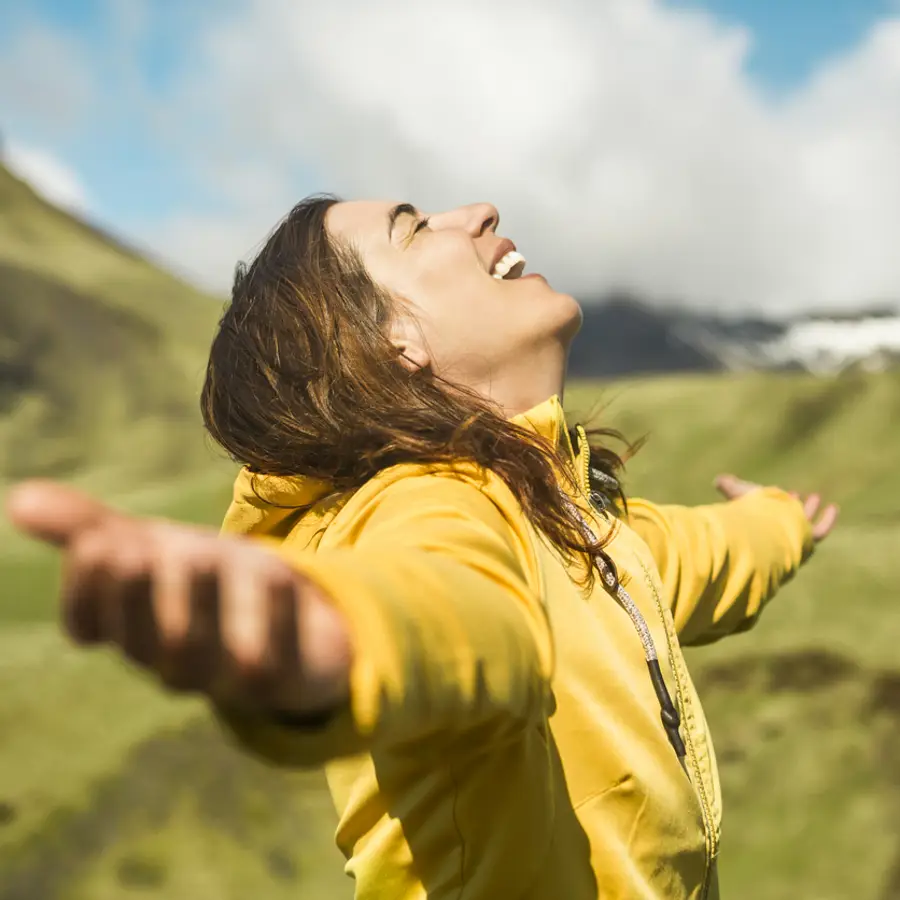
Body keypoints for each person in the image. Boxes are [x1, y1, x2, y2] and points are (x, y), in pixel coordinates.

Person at [6, 196, 838, 899]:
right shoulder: (430, 503)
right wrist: (335, 640)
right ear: (392, 343)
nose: (477, 212)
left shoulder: (573, 518)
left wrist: (780, 521)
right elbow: (450, 610)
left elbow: (695, 553)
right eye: (411, 227)